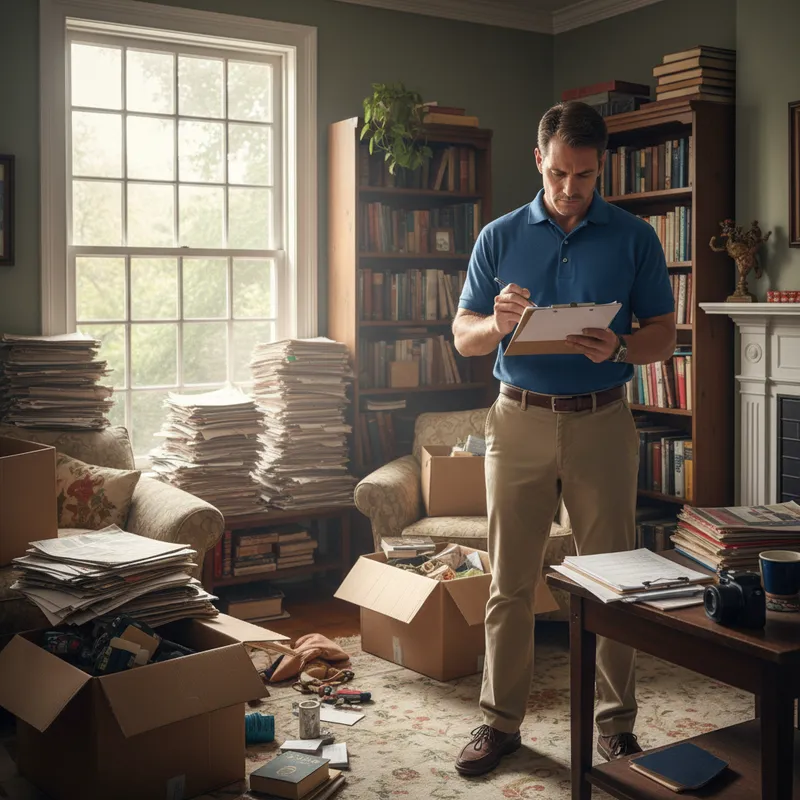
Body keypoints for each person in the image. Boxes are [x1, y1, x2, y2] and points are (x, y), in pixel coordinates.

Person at [452, 100, 677, 777]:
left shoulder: (635, 236)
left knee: (613, 581)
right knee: (509, 582)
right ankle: (499, 724)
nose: (569, 190)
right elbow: (464, 338)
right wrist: (495, 324)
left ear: (600, 165)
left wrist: (622, 345)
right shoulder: (496, 236)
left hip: (603, 419)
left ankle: (615, 727)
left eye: (583, 176)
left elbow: (663, 337)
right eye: (557, 174)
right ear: (538, 160)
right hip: (516, 419)